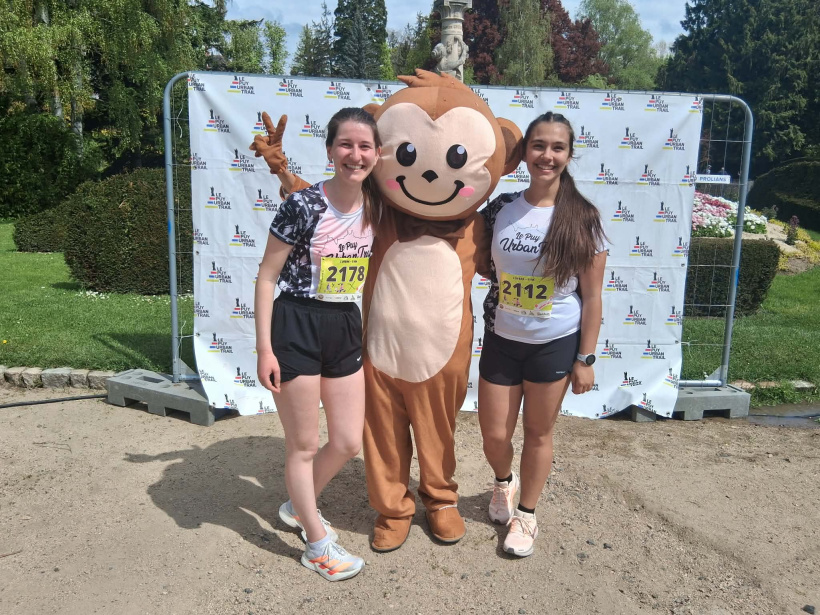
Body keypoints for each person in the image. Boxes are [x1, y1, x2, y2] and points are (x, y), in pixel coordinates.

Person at [254, 107, 381, 581]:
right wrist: (265, 349)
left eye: (365, 146)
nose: (355, 154)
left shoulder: (380, 203)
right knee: (304, 443)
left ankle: (297, 504)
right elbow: (266, 277)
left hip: (344, 322)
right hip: (296, 323)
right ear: (330, 150)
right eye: (346, 144)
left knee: (348, 440)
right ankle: (317, 542)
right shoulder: (302, 205)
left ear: (377, 154)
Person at [478, 112, 607, 558]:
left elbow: (592, 298)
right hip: (503, 338)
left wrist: (585, 359)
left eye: (557, 148)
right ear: (525, 152)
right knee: (495, 434)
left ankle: (527, 515)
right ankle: (503, 483)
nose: (546, 156)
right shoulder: (499, 209)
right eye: (538, 146)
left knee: (537, 432)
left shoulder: (583, 218)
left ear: (569, 155)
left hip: (554, 342)